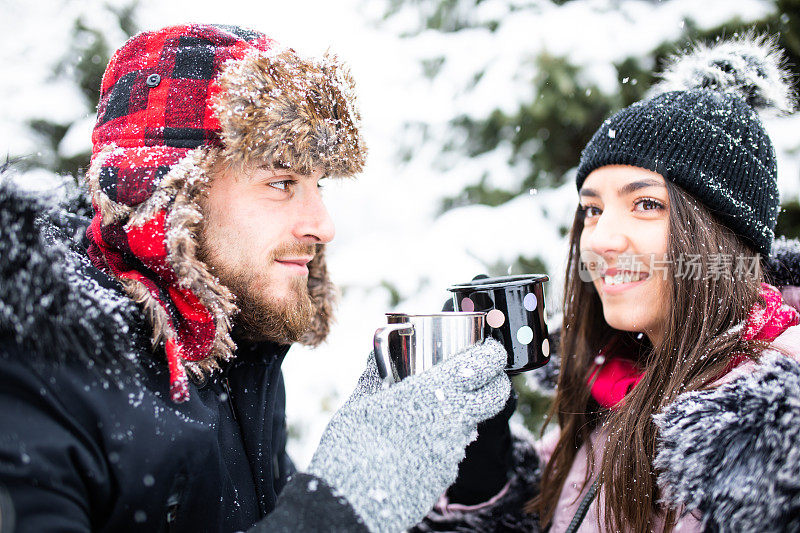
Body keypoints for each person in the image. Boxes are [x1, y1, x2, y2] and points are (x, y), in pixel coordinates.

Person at [0, 24, 512, 532]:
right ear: (172, 192)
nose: (323, 226)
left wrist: (467, 482)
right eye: (281, 182)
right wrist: (340, 511)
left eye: (319, 185)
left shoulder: (234, 350)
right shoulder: (29, 374)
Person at [414, 34, 800, 532]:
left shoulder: (772, 441)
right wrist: (481, 474)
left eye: (646, 204)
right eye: (593, 209)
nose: (601, 240)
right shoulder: (615, 387)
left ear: (722, 235)